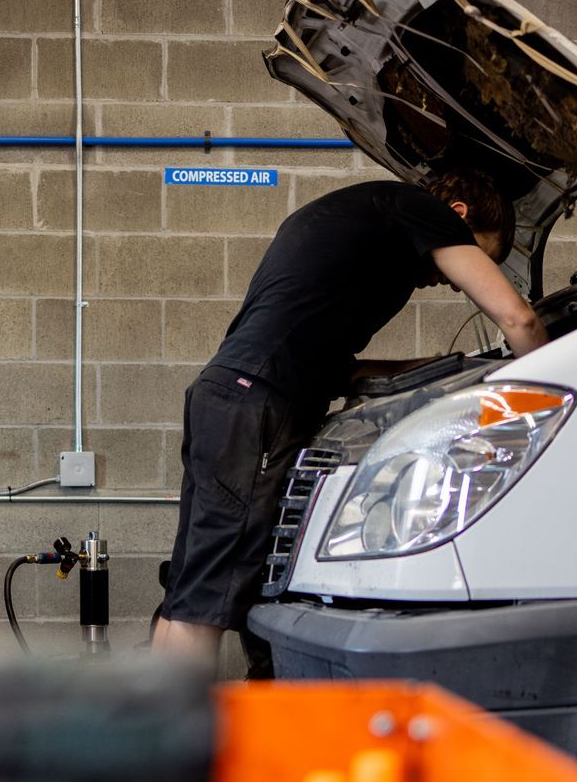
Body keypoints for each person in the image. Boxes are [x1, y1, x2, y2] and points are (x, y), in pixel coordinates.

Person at [152, 167, 550, 663]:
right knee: (206, 606)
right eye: (480, 255)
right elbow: (520, 317)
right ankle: (178, 739)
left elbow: (347, 373)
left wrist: (443, 369)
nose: (453, 287)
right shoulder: (420, 210)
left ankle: (152, 732)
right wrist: (550, 383)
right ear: (459, 216)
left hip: (224, 394)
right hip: (256, 405)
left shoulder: (366, 221)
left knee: (188, 595)